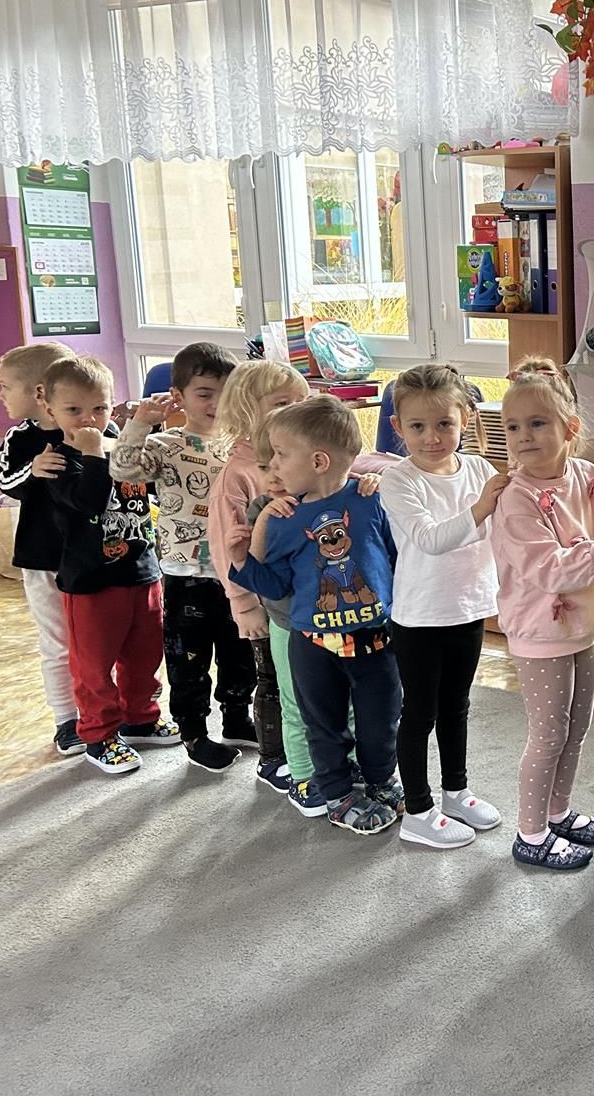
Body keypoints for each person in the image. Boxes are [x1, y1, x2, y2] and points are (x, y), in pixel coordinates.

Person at [489, 359, 594, 871]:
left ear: (570, 428)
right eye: (514, 427)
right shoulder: (516, 499)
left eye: (537, 423)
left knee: (577, 728)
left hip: (587, 624)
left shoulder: (588, 475)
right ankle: (531, 833)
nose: (523, 436)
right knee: (548, 734)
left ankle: (557, 812)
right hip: (540, 632)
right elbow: (550, 569)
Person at [229, 396, 404, 835]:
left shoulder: (371, 500)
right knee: (324, 726)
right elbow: (274, 587)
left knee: (382, 721)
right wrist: (245, 553)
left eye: (280, 455)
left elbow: (397, 558)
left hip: (377, 641)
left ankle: (381, 780)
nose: (273, 467)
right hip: (314, 647)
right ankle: (339, 795)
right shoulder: (283, 517)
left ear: (319, 461)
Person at [378, 364, 511, 849]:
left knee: (457, 707)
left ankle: (456, 791)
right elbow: (431, 540)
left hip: (469, 608)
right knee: (419, 714)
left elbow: (505, 531)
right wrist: (482, 507)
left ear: (466, 420)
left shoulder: (479, 469)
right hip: (420, 617)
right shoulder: (399, 480)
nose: (432, 437)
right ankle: (417, 810)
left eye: (444, 424)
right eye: (417, 426)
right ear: (398, 426)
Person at [110, 342, 256, 774]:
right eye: (204, 393)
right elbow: (122, 468)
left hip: (237, 571)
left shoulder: (242, 445)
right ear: (179, 395)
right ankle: (194, 733)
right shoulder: (166, 444)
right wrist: (140, 422)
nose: (215, 404)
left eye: (225, 394)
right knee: (189, 660)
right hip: (186, 573)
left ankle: (236, 719)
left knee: (240, 654)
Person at [41, 355, 178, 775]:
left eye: (99, 408)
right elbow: (89, 501)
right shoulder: (58, 462)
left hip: (142, 571)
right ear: (50, 411)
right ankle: (99, 735)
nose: (89, 419)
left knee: (144, 655)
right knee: (94, 666)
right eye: (74, 410)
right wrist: (92, 453)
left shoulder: (120, 445)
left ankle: (141, 716)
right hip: (91, 582)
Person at [207, 361, 313, 801]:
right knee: (270, 680)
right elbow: (224, 545)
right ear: (247, 411)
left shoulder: (300, 458)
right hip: (260, 599)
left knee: (300, 683)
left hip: (295, 598)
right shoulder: (239, 473)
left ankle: (304, 750)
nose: (296, 410)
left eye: (301, 402)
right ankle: (273, 759)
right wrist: (243, 603)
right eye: (283, 403)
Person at [0, 340, 79, 756]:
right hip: (43, 557)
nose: (0, 395)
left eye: (6, 386)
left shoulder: (90, 428)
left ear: (40, 391)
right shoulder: (19, 438)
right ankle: (67, 719)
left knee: (100, 640)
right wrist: (34, 470)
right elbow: (5, 483)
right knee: (57, 641)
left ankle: (114, 710)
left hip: (96, 558)